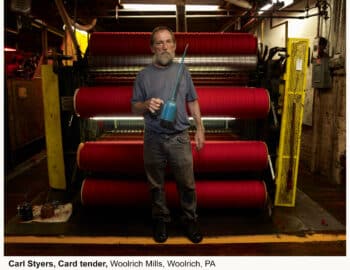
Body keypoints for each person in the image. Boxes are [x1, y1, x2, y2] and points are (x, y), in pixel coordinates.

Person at [131, 26, 205, 243]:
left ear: (174, 46)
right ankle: (161, 219)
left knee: (187, 184)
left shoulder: (183, 71)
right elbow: (134, 107)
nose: (164, 46)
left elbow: (192, 100)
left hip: (180, 138)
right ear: (152, 47)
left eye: (168, 42)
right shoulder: (143, 76)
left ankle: (190, 219)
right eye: (159, 42)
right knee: (156, 185)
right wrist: (145, 104)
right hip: (153, 138)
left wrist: (199, 127)